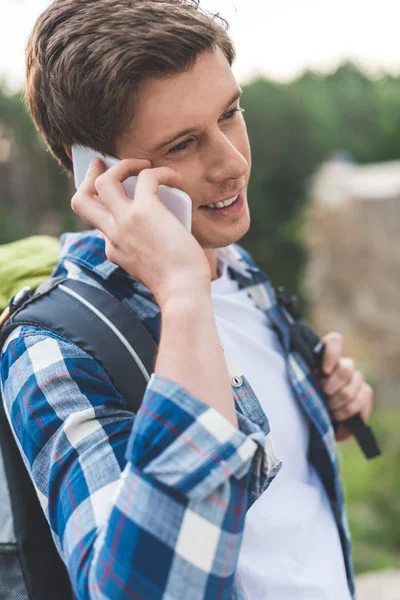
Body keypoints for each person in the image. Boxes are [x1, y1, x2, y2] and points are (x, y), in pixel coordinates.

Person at [0, 1, 374, 598]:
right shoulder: (49, 350)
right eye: (181, 145)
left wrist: (315, 415)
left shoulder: (238, 269)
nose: (232, 162)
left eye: (230, 113)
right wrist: (181, 292)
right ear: (99, 175)